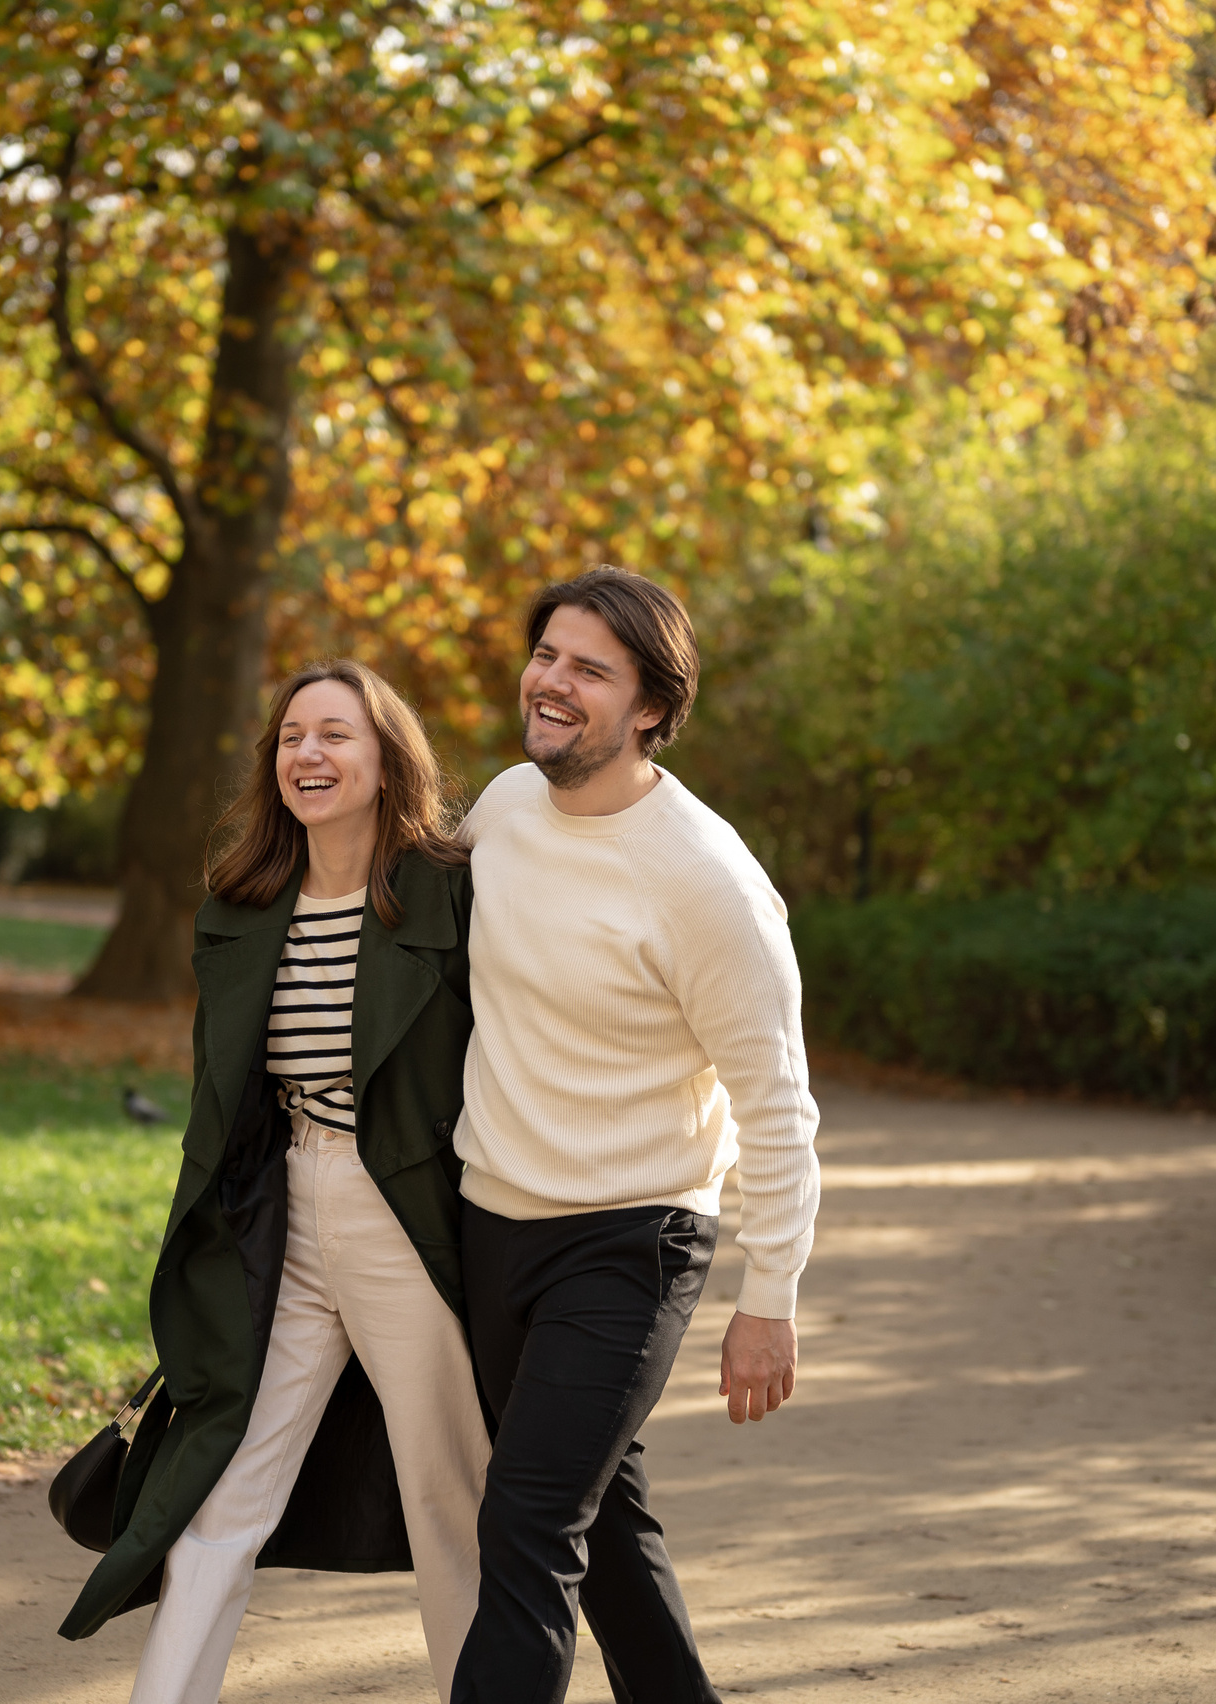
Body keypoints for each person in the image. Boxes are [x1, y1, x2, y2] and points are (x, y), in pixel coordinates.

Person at [55, 660, 492, 1704]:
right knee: (219, 1491)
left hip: (406, 1220)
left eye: (335, 734)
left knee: (449, 1496)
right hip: (285, 1216)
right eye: (292, 736)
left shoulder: (451, 891)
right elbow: (223, 1110)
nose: (308, 753)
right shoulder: (243, 905)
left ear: (387, 758)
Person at [451, 567, 821, 1704]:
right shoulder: (504, 806)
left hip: (629, 1243)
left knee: (525, 1522)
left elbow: (778, 1105)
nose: (552, 683)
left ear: (652, 708)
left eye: (590, 671)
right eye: (546, 655)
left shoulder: (706, 882)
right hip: (490, 1226)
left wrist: (770, 1298)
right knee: (600, 1523)